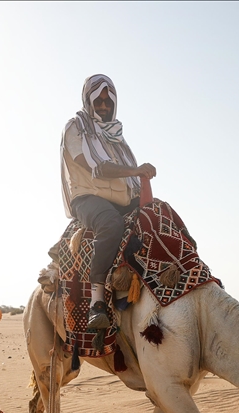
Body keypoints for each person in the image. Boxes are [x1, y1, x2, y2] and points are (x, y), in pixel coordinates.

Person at [61, 74, 156, 329]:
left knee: (159, 215)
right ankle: (97, 301)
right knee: (111, 224)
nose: (103, 107)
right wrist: (136, 171)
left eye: (108, 102)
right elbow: (95, 168)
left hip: (121, 198)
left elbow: (127, 174)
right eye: (98, 101)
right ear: (88, 100)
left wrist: (140, 182)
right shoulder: (76, 128)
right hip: (88, 198)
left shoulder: (115, 135)